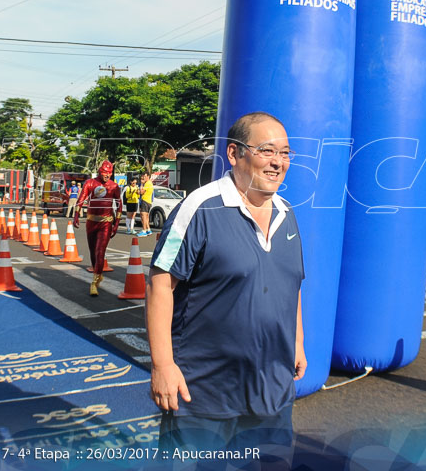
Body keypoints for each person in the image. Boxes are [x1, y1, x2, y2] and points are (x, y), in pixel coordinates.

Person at [146, 112, 305, 468]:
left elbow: (291, 282)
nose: (278, 162)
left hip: (272, 390)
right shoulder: (198, 209)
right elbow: (160, 285)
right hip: (203, 392)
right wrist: (162, 364)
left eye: (285, 153)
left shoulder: (287, 213)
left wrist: (298, 341)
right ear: (234, 154)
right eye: (267, 151)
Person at [73, 161, 122, 296]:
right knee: (93, 252)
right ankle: (97, 272)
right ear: (100, 172)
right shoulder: (90, 183)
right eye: (104, 173)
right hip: (91, 221)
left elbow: (119, 205)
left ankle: (94, 282)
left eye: (109, 173)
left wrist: (116, 223)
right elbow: (81, 198)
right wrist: (76, 214)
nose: (106, 175)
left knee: (100, 251)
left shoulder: (114, 186)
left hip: (106, 222)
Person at [138, 170, 154, 236]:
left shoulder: (147, 183)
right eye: (143, 176)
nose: (143, 178)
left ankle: (144, 230)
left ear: (148, 176)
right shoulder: (149, 183)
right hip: (148, 201)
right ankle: (148, 230)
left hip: (145, 201)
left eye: (145, 176)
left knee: (143, 216)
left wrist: (141, 184)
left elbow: (141, 192)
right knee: (146, 216)